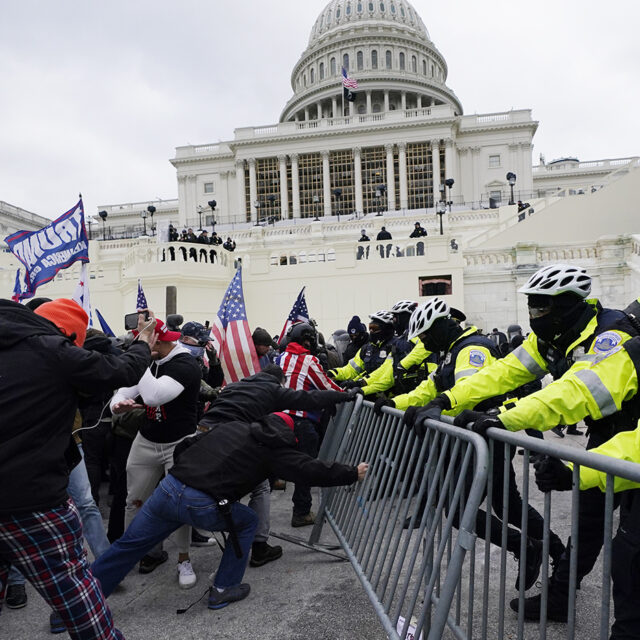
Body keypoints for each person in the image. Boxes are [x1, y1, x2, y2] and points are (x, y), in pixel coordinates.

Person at [425, 264, 640, 622]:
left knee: (629, 547)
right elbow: (502, 372)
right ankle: (559, 597)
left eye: (542, 308)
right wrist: (448, 400)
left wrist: (504, 416)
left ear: (569, 304)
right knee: (587, 523)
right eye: (532, 307)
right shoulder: (552, 339)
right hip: (607, 434)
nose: (534, 316)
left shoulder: (611, 335)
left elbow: (577, 392)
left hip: (631, 435)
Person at [91, 411, 368, 610]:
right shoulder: (276, 450)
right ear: (288, 435)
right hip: (201, 503)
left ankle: (79, 603)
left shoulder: (233, 427)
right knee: (248, 520)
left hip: (168, 489)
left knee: (129, 545)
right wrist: (351, 473)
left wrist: (188, 472)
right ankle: (223, 588)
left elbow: (187, 444)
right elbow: (310, 470)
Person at [0, 298, 155, 639]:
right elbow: (123, 370)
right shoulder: (50, 348)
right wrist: (144, 341)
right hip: (30, 500)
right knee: (78, 599)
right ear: (68, 335)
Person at [383, 298, 564, 591]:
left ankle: (528, 547)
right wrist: (395, 402)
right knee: (507, 505)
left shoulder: (472, 349)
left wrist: (439, 408)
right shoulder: (451, 353)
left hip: (482, 439)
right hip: (473, 440)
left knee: (463, 510)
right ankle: (557, 552)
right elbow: (428, 389)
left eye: (427, 335)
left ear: (443, 326)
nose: (424, 342)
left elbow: (470, 395)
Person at [197, 364, 357, 566]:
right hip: (227, 437)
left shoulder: (234, 386)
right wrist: (344, 396)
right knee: (261, 487)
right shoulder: (271, 389)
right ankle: (259, 546)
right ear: (279, 381)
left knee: (189, 485)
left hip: (200, 435)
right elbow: (308, 399)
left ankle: (165, 553)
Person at [110, 316, 202, 589]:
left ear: (157, 343)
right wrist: (119, 402)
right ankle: (131, 557)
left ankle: (183, 558)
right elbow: (125, 389)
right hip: (147, 440)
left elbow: (152, 396)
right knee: (134, 501)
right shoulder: (151, 361)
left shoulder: (186, 364)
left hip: (179, 442)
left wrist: (140, 357)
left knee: (180, 503)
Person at [534, 422, 640, 640]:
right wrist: (575, 472)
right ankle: (561, 593)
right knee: (618, 551)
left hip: (616, 443)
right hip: (613, 444)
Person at [276, 322, 344, 527]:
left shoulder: (280, 357)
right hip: (301, 421)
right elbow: (326, 386)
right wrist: (347, 394)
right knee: (305, 468)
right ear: (309, 340)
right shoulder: (309, 360)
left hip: (277, 418)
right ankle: (302, 511)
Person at [359, 300, 435, 399]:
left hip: (424, 392)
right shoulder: (399, 341)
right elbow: (386, 370)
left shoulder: (417, 335)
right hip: (405, 394)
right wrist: (362, 385)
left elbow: (423, 348)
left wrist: (403, 365)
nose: (393, 321)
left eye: (395, 317)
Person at [328, 311, 396, 388]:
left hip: (388, 393)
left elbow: (385, 374)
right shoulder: (367, 348)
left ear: (386, 329)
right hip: (367, 390)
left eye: (374, 328)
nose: (371, 331)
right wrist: (334, 373)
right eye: (370, 328)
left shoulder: (395, 347)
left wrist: (360, 383)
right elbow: (352, 369)